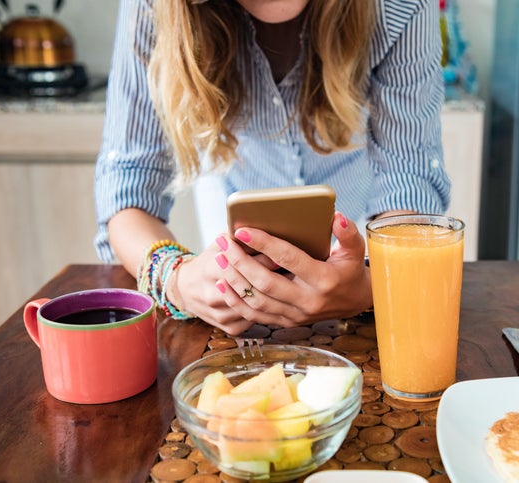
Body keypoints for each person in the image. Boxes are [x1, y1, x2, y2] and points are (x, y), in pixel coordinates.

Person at [94, 0, 450, 335]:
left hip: (359, 233)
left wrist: (374, 283)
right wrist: (177, 280)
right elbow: (128, 186)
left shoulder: (400, 8)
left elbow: (408, 176)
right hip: (236, 258)